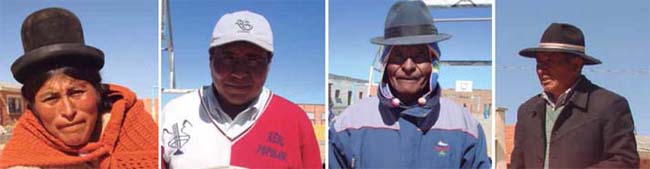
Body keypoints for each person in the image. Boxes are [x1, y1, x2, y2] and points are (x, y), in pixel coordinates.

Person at [328, 1, 490, 168]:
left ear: (433, 62)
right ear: (385, 62)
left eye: (419, 55)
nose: (408, 66)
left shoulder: (466, 128)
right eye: (398, 55)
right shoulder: (347, 125)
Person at [0, 8, 158, 168]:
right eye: (50, 98)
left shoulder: (137, 128)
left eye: (76, 92)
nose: (68, 111)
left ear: (97, 91)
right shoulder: (23, 154)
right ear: (33, 107)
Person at [161, 10, 321, 168]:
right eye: (228, 58)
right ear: (211, 58)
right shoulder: (174, 114)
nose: (239, 73)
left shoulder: (295, 121)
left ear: (269, 63)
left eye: (253, 60)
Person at [509, 23, 639, 168]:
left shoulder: (609, 106)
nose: (541, 70)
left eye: (549, 62)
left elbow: (625, 162)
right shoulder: (527, 111)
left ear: (576, 65)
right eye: (539, 64)